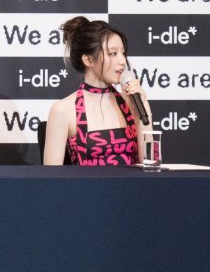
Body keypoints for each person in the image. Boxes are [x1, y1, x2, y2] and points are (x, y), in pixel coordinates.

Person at [43, 16, 148, 165]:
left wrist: (143, 110)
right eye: (112, 53)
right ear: (88, 60)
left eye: (123, 53)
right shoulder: (63, 110)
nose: (123, 61)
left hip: (133, 181)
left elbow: (151, 165)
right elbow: (51, 176)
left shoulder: (133, 103)